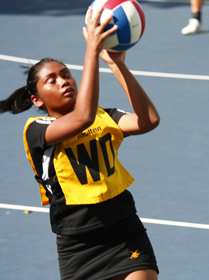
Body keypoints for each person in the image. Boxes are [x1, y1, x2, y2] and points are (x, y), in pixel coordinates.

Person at [0, 7, 160, 280]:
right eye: (52, 80)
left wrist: (117, 64)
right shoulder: (37, 131)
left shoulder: (105, 116)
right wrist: (92, 50)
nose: (63, 81)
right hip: (77, 242)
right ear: (37, 100)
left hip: (124, 229)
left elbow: (149, 120)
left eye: (66, 74)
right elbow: (82, 118)